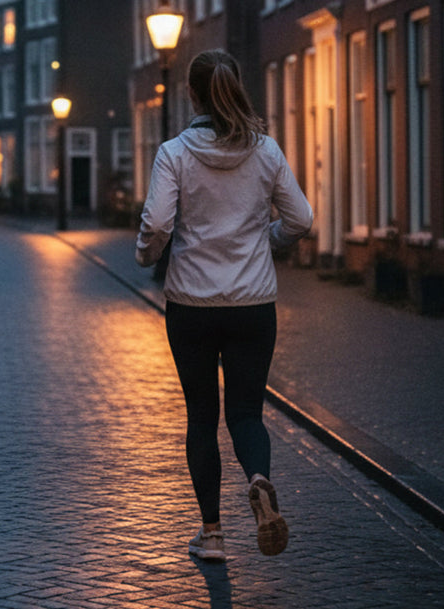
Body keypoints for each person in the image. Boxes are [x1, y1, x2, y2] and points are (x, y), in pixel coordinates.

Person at [135, 49, 312, 562]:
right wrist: (268, 240)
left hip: (192, 304)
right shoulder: (267, 151)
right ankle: (259, 482)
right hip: (254, 304)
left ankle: (211, 534)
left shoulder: (174, 152)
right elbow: (300, 219)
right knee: (246, 414)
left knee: (201, 417)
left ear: (192, 94)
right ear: (235, 88)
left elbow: (158, 225)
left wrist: (146, 255)